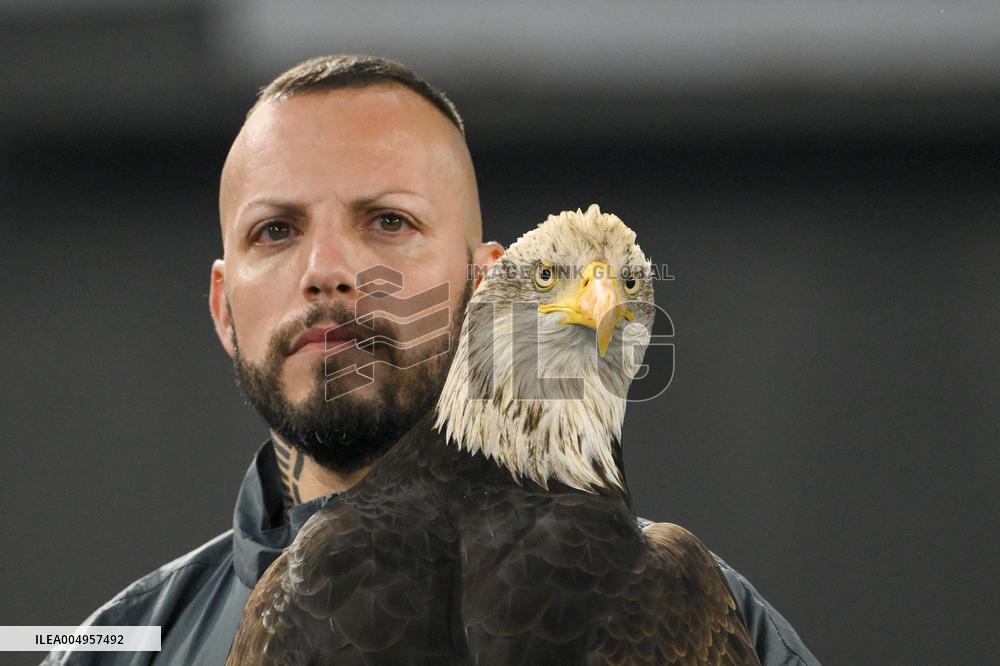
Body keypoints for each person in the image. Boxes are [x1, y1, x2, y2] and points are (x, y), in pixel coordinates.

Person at [44, 54, 819, 665]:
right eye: (275, 231)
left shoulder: (697, 606)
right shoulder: (119, 648)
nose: (328, 268)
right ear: (223, 307)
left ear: (485, 286)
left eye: (387, 221)